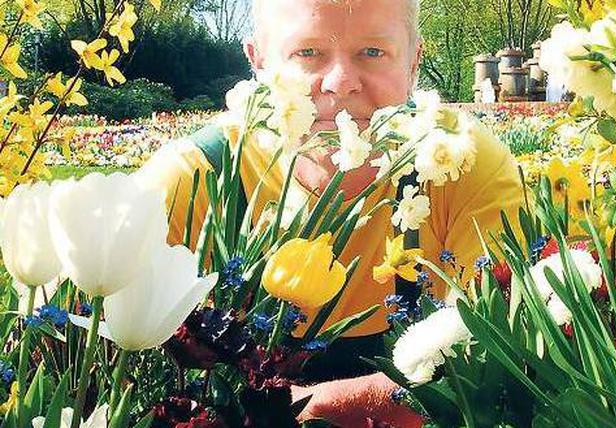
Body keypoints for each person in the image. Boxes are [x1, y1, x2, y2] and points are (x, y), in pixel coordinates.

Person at [135, 0, 523, 426]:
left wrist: (308, 410)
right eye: (308, 52)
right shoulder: (192, 179)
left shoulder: (464, 166)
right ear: (258, 62)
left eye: (373, 52)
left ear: (414, 61)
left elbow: (496, 366)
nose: (341, 84)